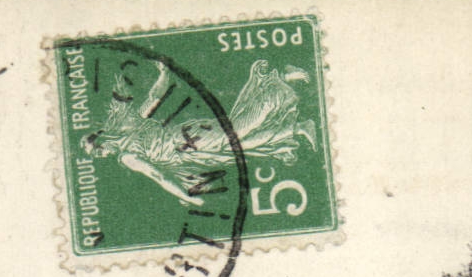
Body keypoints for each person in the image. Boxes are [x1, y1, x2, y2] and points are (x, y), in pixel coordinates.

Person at [81, 59, 318, 206]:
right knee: (241, 141)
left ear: (102, 137)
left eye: (99, 149)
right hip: (190, 145)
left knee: (240, 129)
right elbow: (153, 100)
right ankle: (296, 129)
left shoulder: (127, 155)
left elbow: (157, 176)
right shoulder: (128, 135)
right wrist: (163, 75)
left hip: (189, 141)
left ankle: (281, 79)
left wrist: (185, 197)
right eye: (98, 155)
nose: (102, 154)